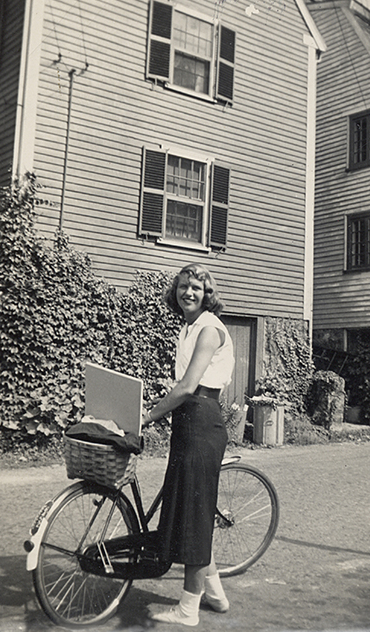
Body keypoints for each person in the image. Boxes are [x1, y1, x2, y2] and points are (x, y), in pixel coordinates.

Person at [141, 263, 235, 627]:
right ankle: (215, 595)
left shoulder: (209, 328)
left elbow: (186, 388)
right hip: (189, 421)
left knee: (195, 518)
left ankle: (188, 610)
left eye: (196, 287)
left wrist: (146, 417)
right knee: (189, 511)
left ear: (207, 293)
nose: (188, 293)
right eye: (183, 287)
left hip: (202, 420)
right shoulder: (188, 327)